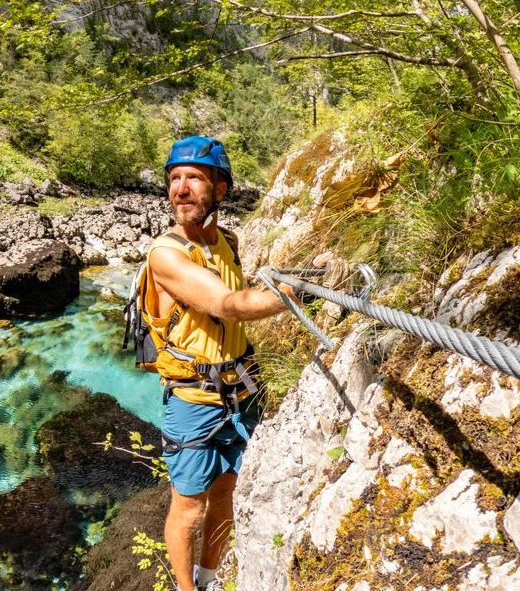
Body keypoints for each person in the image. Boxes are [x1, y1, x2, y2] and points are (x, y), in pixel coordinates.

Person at [143, 135, 300, 591]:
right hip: (194, 400)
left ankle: (209, 577)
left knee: (226, 493)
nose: (181, 188)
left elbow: (237, 291)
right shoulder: (166, 255)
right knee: (189, 507)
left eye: (193, 177)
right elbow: (227, 304)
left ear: (220, 189)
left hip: (241, 390)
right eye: (175, 179)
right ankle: (185, 589)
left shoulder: (227, 242)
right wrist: (292, 297)